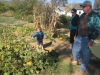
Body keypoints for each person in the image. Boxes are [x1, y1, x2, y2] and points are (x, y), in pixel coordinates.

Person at [72, 0, 100, 75]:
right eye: (82, 7)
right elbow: (78, 26)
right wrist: (75, 34)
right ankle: (78, 59)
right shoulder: (82, 15)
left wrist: (92, 39)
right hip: (79, 36)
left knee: (86, 53)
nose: (82, 8)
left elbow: (98, 28)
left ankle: (82, 69)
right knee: (75, 50)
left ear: (88, 7)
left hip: (87, 37)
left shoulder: (95, 16)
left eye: (83, 7)